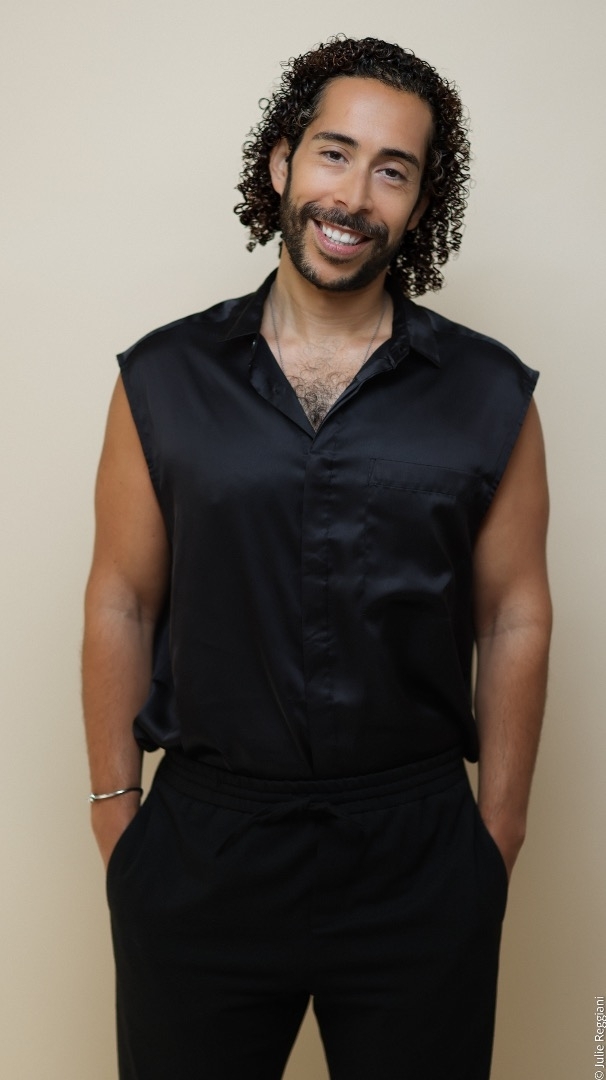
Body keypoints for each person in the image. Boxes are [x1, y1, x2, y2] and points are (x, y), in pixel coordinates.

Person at [82, 35, 552, 1080]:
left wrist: (498, 835)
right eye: (335, 153)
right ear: (282, 163)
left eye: (394, 171)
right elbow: (120, 598)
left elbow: (515, 612)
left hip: (419, 852)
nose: (354, 195)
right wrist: (119, 820)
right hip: (203, 846)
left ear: (420, 205)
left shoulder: (490, 394)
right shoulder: (163, 377)